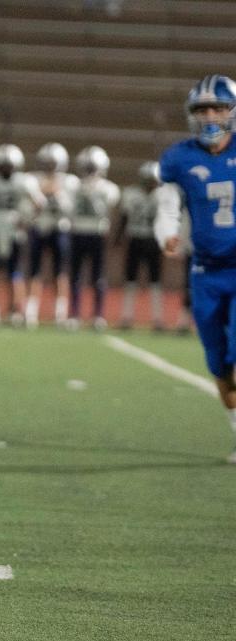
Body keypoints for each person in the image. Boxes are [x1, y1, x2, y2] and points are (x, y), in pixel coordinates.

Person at [155, 74, 236, 464]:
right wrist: (168, 234)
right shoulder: (179, 158)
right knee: (218, 363)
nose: (209, 116)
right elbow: (168, 207)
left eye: (217, 107)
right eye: (202, 109)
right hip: (205, 270)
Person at [0, 144, 43, 328]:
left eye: (9, 165)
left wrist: (26, 221)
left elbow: (39, 204)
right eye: (3, 164)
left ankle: (15, 310)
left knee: (15, 273)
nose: (6, 168)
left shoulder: (24, 181)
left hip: (14, 232)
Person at [27, 142, 79, 327]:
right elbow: (30, 207)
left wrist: (56, 195)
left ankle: (60, 312)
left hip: (59, 229)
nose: (49, 167)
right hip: (39, 228)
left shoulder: (70, 182)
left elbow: (70, 209)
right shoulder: (33, 179)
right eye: (46, 163)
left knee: (61, 272)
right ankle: (31, 311)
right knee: (34, 271)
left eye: (52, 163)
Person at [67, 145, 119, 330]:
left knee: (98, 277)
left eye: (92, 167)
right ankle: (74, 314)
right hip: (78, 232)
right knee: (75, 277)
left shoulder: (108, 189)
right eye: (87, 167)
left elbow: (110, 212)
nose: (90, 171)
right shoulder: (73, 186)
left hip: (97, 234)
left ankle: (98, 314)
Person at [117, 161, 164, 330]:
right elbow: (124, 217)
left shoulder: (162, 195)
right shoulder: (131, 193)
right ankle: (126, 317)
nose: (151, 183)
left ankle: (157, 319)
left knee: (156, 281)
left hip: (154, 240)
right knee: (130, 280)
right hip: (135, 238)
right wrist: (119, 237)